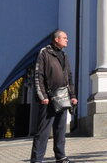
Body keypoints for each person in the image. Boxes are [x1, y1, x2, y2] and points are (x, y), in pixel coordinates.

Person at [30, 29, 78, 163]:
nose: (67, 40)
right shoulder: (44, 53)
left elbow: (69, 77)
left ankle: (61, 157)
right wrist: (42, 96)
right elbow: (38, 75)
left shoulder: (64, 55)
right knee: (43, 131)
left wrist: (72, 95)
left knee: (60, 129)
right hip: (49, 98)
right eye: (65, 38)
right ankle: (37, 159)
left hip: (63, 97)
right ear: (56, 39)